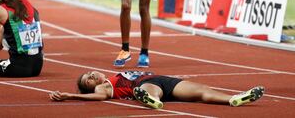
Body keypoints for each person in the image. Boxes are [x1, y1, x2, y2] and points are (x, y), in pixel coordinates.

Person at [49, 71, 265, 109]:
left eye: (90, 73)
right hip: (142, 86)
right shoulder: (107, 87)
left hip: (165, 80)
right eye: (89, 81)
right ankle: (150, 100)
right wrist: (70, 95)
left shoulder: (113, 75)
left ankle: (235, 99)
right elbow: (98, 97)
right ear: (92, 88)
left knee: (201, 91)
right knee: (149, 89)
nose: (92, 77)